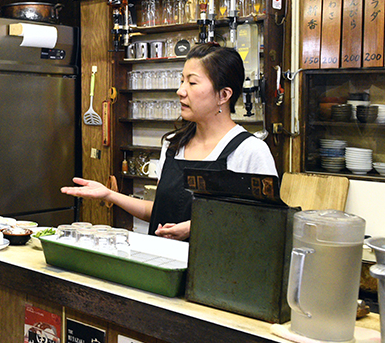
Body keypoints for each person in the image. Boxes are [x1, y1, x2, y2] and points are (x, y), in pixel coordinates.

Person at [62, 43, 277, 241]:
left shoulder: (250, 151)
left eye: (192, 82)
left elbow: (264, 223)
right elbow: (158, 210)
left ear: (224, 95)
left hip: (214, 274)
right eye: (182, 80)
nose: (180, 91)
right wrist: (110, 195)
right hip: (161, 267)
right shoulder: (174, 145)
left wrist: (195, 227)